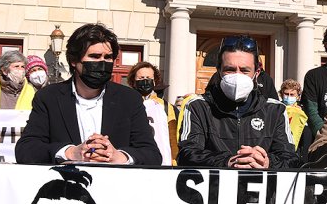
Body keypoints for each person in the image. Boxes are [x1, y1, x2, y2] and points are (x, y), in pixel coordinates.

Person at [15, 23, 161, 166]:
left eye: (108, 57)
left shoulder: (129, 99)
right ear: (74, 61)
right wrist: (71, 153)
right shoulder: (49, 97)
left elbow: (151, 154)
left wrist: (118, 156)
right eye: (95, 57)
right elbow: (26, 150)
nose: (102, 63)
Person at [177, 36, 299, 169]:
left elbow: (291, 158)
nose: (237, 76)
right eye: (230, 69)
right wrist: (228, 161)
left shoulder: (275, 110)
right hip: (215, 188)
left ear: (256, 73)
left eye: (244, 70)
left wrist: (267, 162)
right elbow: (186, 154)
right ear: (219, 71)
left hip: (261, 188)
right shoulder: (198, 106)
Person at [128, 61, 177, 165]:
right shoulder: (126, 104)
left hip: (163, 163)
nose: (145, 81)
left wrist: (174, 161)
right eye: (141, 78)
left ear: (154, 81)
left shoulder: (166, 107)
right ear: (133, 81)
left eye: (148, 78)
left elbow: (173, 137)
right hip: (136, 162)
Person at [280, 78, 313, 163]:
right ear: (281, 94)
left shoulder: (304, 111)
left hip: (299, 152)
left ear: (298, 96)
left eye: (292, 95)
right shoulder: (277, 108)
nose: (288, 97)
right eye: (286, 94)